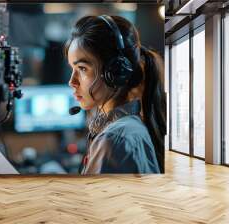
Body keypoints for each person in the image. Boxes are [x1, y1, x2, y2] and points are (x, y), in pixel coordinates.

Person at [64, 15, 166, 174]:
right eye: (72, 69)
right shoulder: (129, 127)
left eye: (82, 68)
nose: (72, 81)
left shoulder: (115, 140)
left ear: (115, 71)